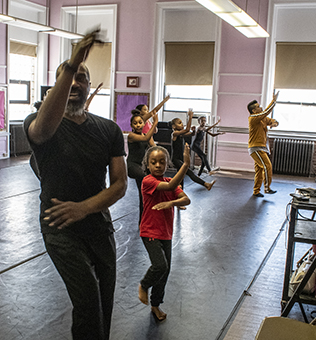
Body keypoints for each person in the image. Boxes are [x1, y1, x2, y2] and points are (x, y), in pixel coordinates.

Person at [24, 30, 127, 340]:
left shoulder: (108, 129)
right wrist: (72, 64)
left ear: (88, 87)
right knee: (87, 298)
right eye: (67, 78)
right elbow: (42, 130)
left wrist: (85, 208)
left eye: (81, 77)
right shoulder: (37, 123)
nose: (73, 82)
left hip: (97, 224)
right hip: (59, 226)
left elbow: (120, 184)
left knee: (104, 304)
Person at [137, 144, 191, 322]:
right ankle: (144, 285)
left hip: (166, 233)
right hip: (149, 231)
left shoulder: (169, 182)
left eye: (162, 162)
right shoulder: (148, 181)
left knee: (165, 272)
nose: (158, 165)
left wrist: (170, 204)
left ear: (167, 164)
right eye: (154, 162)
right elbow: (171, 189)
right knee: (160, 265)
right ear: (148, 165)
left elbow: (186, 199)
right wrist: (185, 165)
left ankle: (155, 305)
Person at [171, 109, 215, 191]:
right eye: (179, 123)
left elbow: (191, 133)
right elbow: (187, 130)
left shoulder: (180, 134)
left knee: (181, 177)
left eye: (181, 123)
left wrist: (194, 131)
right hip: (176, 159)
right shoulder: (174, 134)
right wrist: (190, 117)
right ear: (173, 126)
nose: (181, 124)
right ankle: (205, 184)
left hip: (181, 159)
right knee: (189, 172)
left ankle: (179, 193)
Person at [127, 110, 158, 224]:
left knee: (143, 195)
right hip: (132, 166)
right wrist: (154, 123)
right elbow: (145, 139)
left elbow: (154, 147)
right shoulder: (131, 136)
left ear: (144, 124)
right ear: (131, 125)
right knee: (147, 179)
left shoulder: (146, 135)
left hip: (142, 166)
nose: (138, 125)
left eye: (140, 122)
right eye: (135, 123)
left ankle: (143, 222)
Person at [247, 92, 279, 197]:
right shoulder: (253, 118)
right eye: (258, 107)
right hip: (255, 148)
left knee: (259, 169)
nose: (260, 108)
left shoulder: (262, 119)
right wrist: (273, 102)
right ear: (253, 111)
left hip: (262, 147)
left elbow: (272, 120)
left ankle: (256, 191)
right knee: (267, 166)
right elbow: (265, 113)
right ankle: (267, 188)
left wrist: (274, 123)